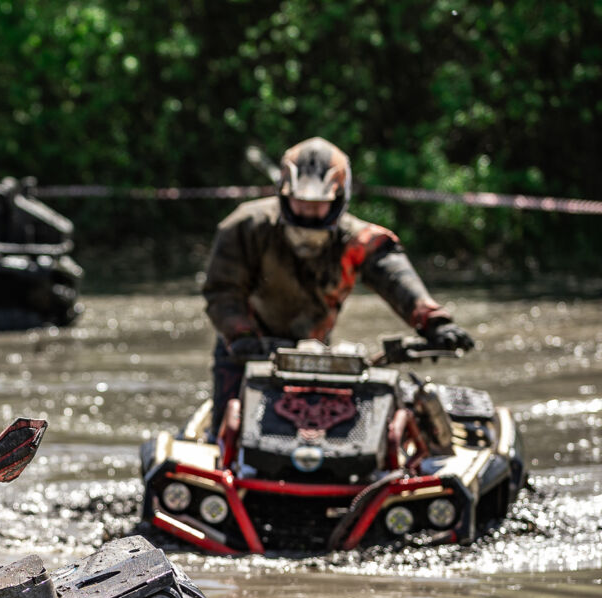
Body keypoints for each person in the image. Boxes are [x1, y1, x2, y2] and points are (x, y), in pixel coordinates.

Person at [202, 136, 475, 431]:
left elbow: (394, 276)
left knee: (325, 429)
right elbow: (223, 291)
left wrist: (434, 322)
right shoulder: (245, 226)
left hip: (314, 353)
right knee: (226, 430)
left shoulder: (358, 240)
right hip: (244, 347)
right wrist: (241, 334)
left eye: (318, 204)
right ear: (284, 193)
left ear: (338, 198)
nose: (308, 211)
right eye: (300, 202)